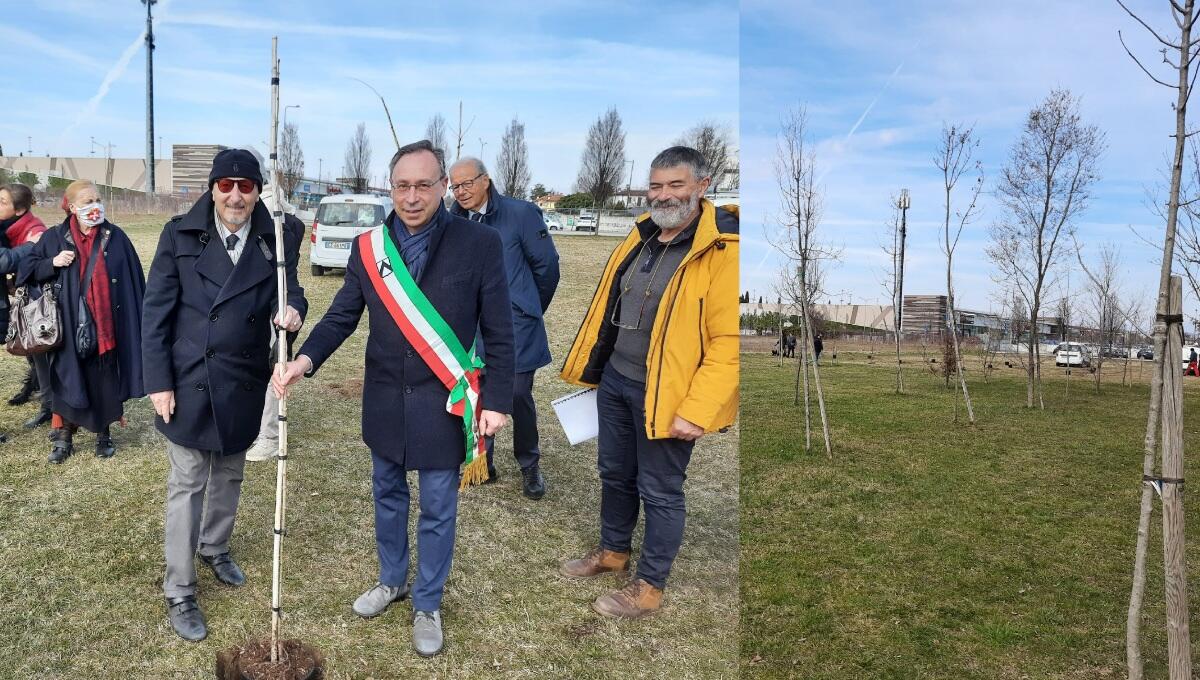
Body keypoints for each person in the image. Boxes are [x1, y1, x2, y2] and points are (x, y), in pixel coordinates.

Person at [273, 140, 514, 657]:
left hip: (444, 401)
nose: (411, 197)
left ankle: (427, 601)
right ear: (391, 188)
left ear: (444, 187)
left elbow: (500, 328)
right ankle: (391, 579)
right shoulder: (368, 247)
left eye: (424, 185)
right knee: (386, 495)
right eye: (402, 186)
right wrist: (305, 361)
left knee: (437, 508)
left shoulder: (480, 245)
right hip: (384, 398)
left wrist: (498, 400)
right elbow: (342, 316)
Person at [558, 146, 739, 619]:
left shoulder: (723, 250)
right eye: (655, 185)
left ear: (703, 185)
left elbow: (728, 344)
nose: (663, 195)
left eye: (675, 185)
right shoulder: (642, 236)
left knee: (660, 489)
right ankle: (614, 551)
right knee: (615, 473)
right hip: (618, 380)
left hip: (670, 394)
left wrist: (697, 410)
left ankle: (650, 587)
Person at [141, 149, 307, 642]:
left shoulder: (277, 236)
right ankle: (179, 588)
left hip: (245, 375)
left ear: (258, 191)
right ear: (212, 188)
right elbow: (155, 314)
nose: (236, 195)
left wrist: (293, 311)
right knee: (188, 480)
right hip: (190, 375)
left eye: (247, 186)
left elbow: (291, 289)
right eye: (227, 185)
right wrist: (158, 381)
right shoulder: (179, 235)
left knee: (231, 471)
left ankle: (215, 547)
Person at [447, 157, 559, 499]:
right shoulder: (453, 220)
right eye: (455, 186)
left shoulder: (520, 214)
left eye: (467, 184)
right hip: (471, 328)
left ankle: (530, 464)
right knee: (477, 392)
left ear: (486, 180)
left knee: (517, 395)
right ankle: (483, 463)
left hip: (515, 327)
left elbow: (547, 269)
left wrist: (527, 307)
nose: (461, 192)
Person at [17, 180, 144, 463]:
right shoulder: (54, 237)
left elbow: (134, 279)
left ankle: (103, 433)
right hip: (67, 324)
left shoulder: (116, 236)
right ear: (72, 207)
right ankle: (63, 439)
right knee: (66, 377)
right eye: (86, 201)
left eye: (97, 199)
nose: (94, 206)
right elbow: (26, 270)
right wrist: (52, 263)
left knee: (104, 378)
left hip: (106, 325)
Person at [243, 184, 306, 462]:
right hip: (250, 311)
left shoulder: (286, 226)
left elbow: (288, 280)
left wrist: (289, 307)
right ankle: (252, 428)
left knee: (275, 367)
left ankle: (269, 436)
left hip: (276, 309)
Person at [0, 183, 50, 427]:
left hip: (37, 302)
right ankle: (38, 392)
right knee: (32, 352)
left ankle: (49, 406)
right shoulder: (8, 228)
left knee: (40, 351)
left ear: (18, 210)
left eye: (2, 201)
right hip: (22, 297)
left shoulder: (34, 230)